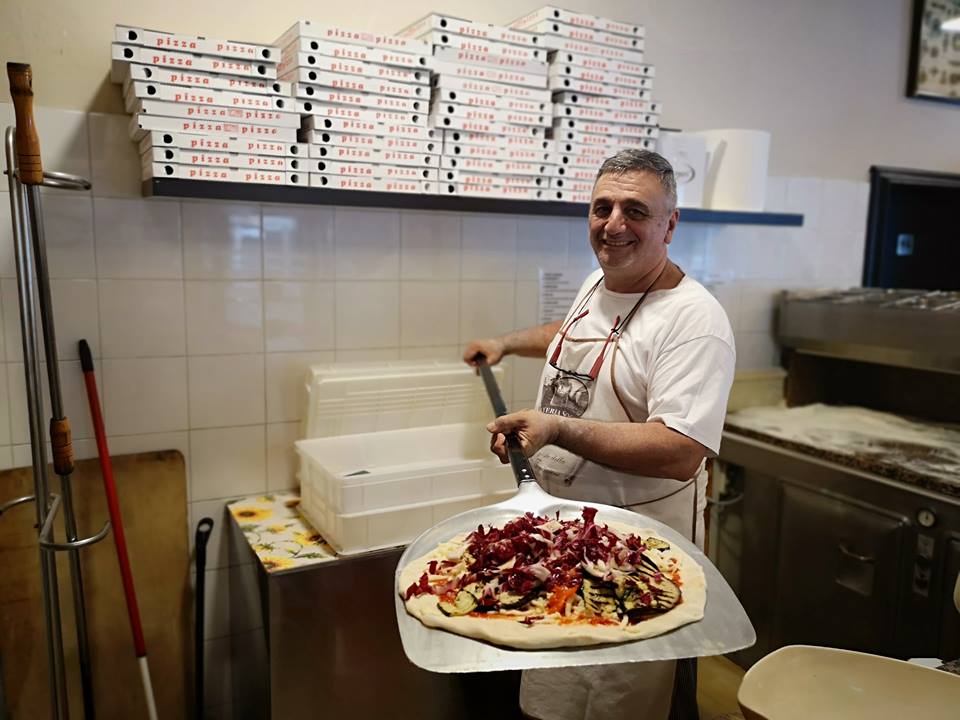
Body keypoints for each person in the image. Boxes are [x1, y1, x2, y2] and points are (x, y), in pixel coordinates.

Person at [462, 148, 736, 720]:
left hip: (639, 557)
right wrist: (507, 343)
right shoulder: (600, 279)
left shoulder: (695, 321)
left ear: (670, 224)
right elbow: (574, 334)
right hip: (564, 537)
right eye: (601, 207)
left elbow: (682, 452)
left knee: (622, 698)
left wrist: (556, 428)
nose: (613, 224)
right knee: (554, 690)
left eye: (635, 210)